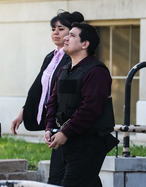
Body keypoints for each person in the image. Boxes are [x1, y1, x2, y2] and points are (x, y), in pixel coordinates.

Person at [10, 10, 84, 185]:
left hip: (68, 122)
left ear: (72, 32)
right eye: (53, 29)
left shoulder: (73, 57)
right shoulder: (51, 56)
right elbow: (38, 88)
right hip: (56, 123)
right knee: (66, 175)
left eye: (61, 28)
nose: (55, 33)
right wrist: (23, 112)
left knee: (70, 175)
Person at [44, 22, 119, 187]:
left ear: (85, 44)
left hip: (88, 143)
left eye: (72, 35)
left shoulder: (97, 72)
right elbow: (53, 100)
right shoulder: (65, 69)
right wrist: (50, 127)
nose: (66, 38)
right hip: (67, 141)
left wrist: (65, 132)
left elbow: (89, 109)